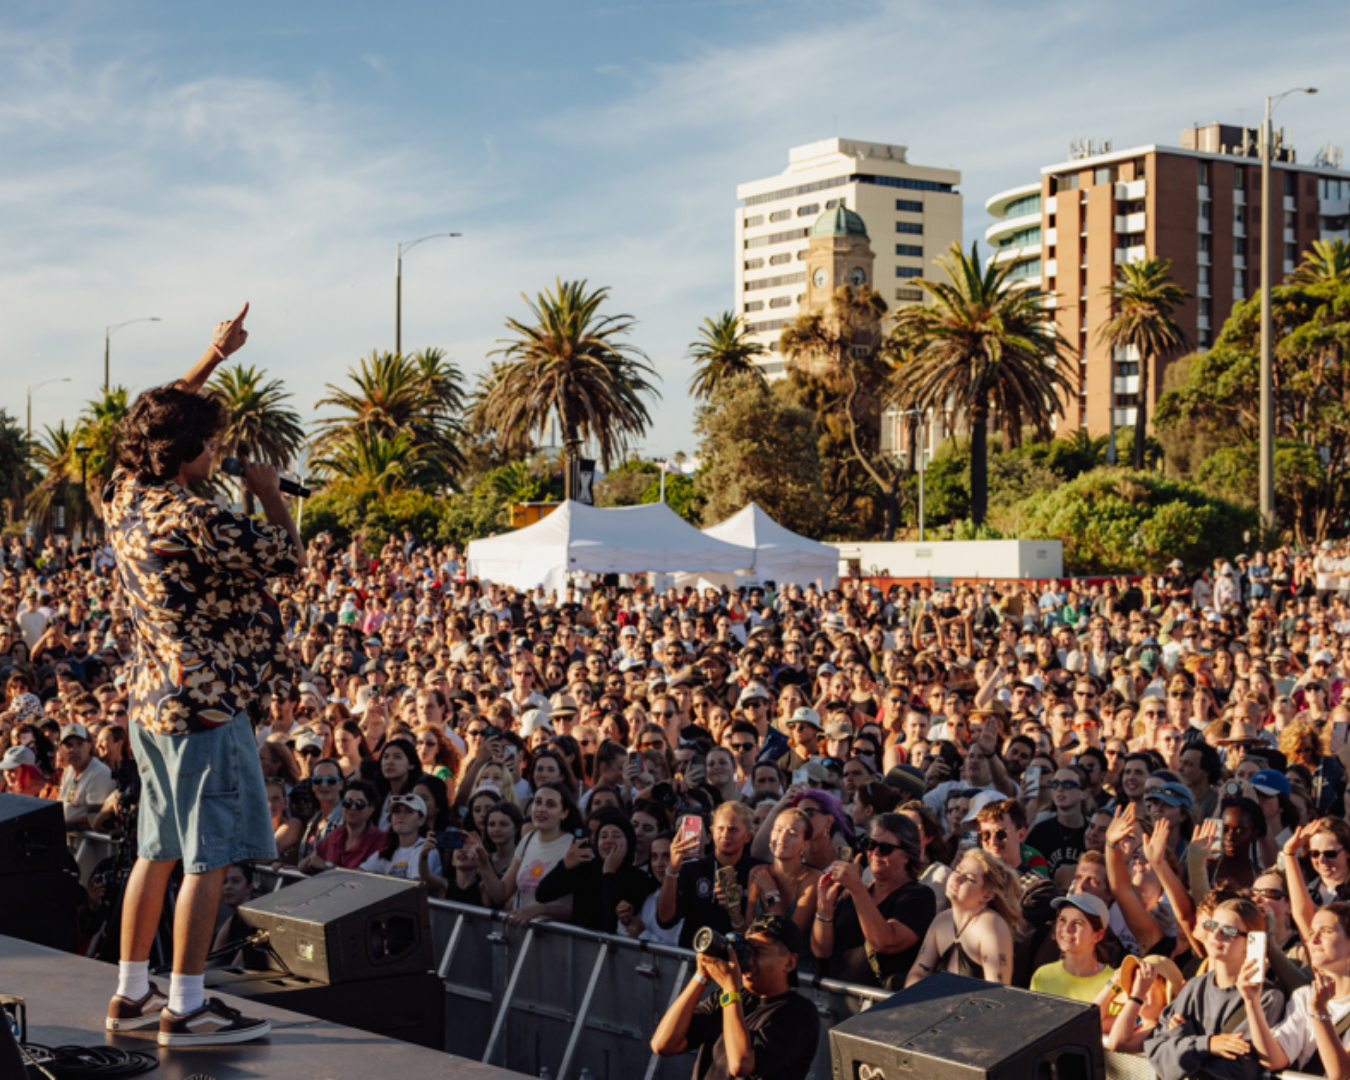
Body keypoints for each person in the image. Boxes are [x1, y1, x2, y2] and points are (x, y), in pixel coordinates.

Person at [103, 304, 305, 1047]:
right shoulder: (195, 518)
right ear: (187, 451)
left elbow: (142, 426)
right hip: (207, 708)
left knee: (156, 850)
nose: (218, 454)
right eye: (212, 445)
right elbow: (287, 559)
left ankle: (130, 993)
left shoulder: (123, 496)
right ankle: (184, 1007)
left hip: (150, 702)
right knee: (209, 857)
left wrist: (211, 358)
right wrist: (269, 492)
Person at [650, 914, 820, 1080]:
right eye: (747, 950)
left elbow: (740, 1064)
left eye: (759, 951)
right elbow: (663, 1044)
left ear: (790, 962)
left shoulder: (799, 1013)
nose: (747, 960)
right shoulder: (727, 998)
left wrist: (730, 987)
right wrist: (701, 976)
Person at [1144, 897, 1284, 1080]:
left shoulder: (1267, 997)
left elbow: (1239, 1070)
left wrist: (1183, 1039)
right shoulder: (1194, 986)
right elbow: (1157, 1053)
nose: (1216, 935)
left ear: (1252, 942)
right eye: (1211, 926)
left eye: (1228, 931)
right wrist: (1208, 1044)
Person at [812, 813, 936, 989]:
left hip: (878, 1006)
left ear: (907, 855)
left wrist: (857, 888)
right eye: (870, 844)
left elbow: (884, 942)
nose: (875, 853)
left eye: (885, 848)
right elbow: (821, 951)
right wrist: (824, 907)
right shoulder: (852, 893)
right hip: (836, 1000)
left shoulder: (919, 896)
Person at [906, 849, 1021, 987]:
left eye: (970, 879)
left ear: (987, 895)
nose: (957, 879)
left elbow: (997, 992)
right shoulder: (942, 920)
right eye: (957, 871)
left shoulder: (992, 925)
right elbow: (917, 973)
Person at [659, 801, 764, 949]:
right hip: (694, 959)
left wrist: (735, 911)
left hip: (737, 963)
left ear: (747, 837)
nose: (725, 834)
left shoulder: (758, 871)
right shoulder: (691, 869)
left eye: (733, 829)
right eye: (720, 828)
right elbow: (665, 920)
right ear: (712, 832)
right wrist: (672, 870)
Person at [1029, 894, 1114, 1002]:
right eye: (1062, 920)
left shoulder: (1114, 981)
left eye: (1078, 923)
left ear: (1097, 936)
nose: (1067, 928)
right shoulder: (1042, 975)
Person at [57, 721, 117, 831]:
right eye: (68, 745)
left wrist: (61, 826)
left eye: (79, 744)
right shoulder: (69, 771)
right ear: (61, 749)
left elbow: (94, 818)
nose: (74, 750)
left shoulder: (100, 772)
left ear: (89, 746)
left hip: (91, 845)